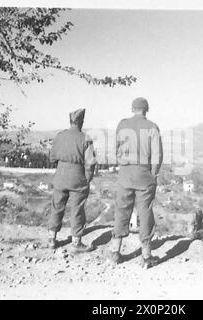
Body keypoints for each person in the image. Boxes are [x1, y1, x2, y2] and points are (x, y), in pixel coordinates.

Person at [110, 97, 163, 268]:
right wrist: (153, 175)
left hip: (125, 172)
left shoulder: (122, 125)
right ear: (146, 109)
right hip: (144, 173)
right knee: (145, 212)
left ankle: (115, 252)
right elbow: (157, 156)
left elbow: (116, 149)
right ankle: (146, 256)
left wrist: (124, 165)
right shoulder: (152, 127)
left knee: (121, 209)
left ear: (132, 109)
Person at [47, 108, 97, 253]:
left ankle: (52, 239)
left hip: (60, 175)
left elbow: (52, 158)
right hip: (77, 176)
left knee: (56, 206)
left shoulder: (59, 136)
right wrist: (87, 179)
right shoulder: (85, 138)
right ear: (81, 122)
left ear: (70, 121)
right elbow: (91, 162)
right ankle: (76, 242)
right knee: (77, 210)